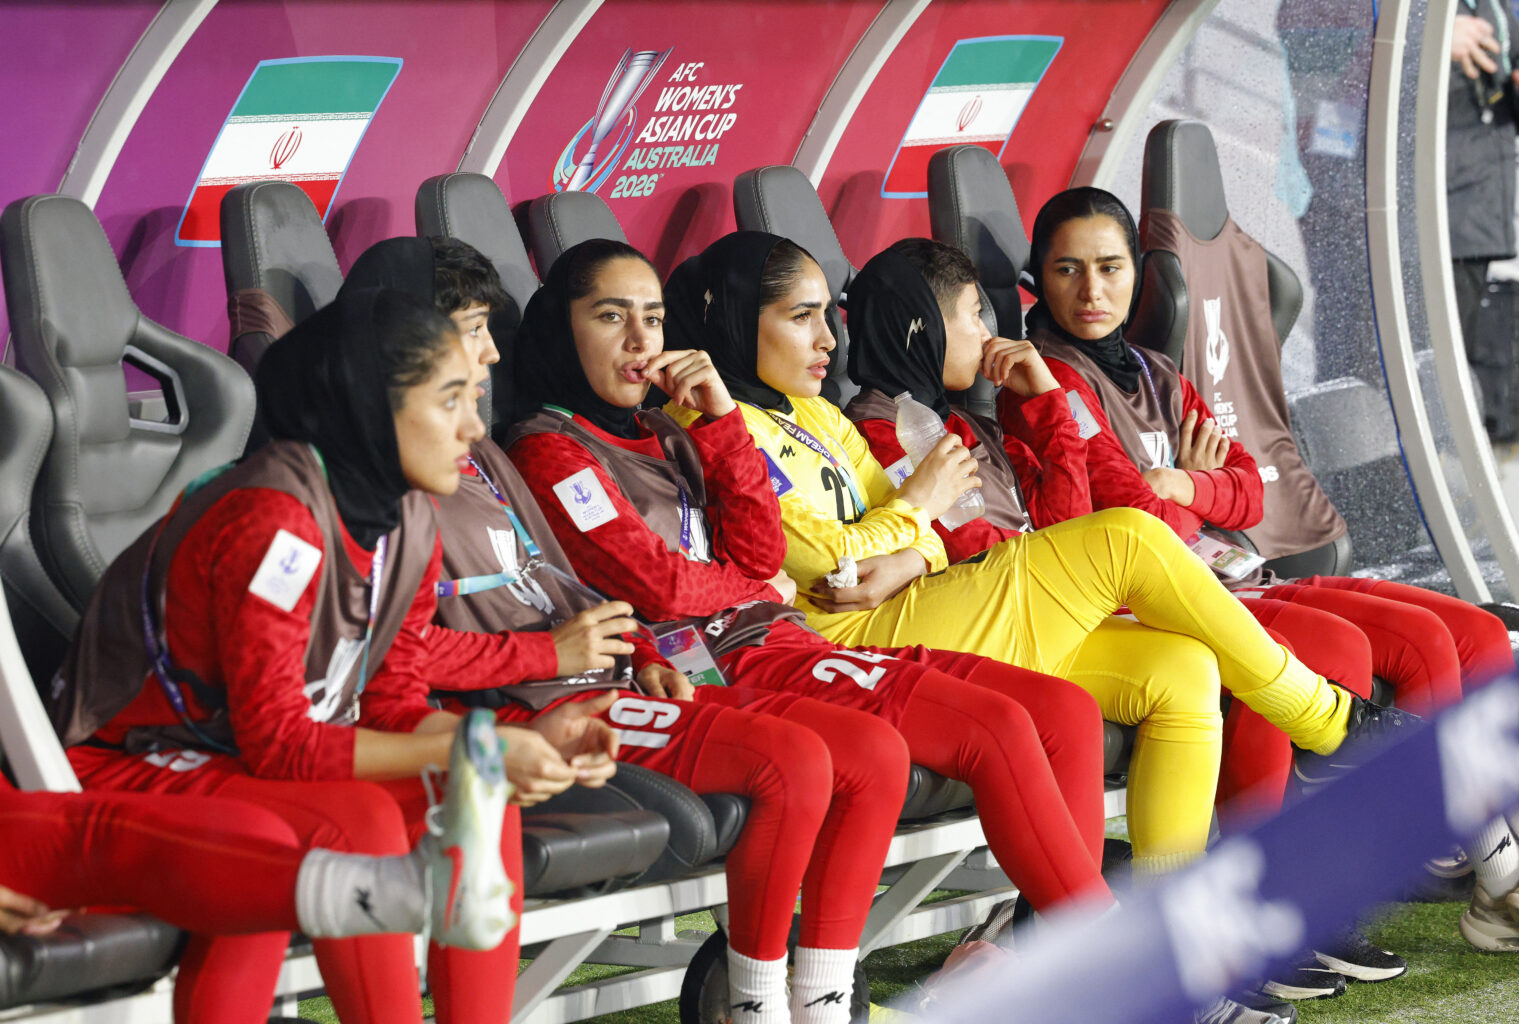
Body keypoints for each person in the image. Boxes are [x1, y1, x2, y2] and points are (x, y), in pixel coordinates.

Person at [341, 236, 918, 1024]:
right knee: (795, 761)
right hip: (534, 702)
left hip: (623, 671)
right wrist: (556, 657)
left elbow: (568, 587)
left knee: (864, 752)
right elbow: (399, 660)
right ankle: (763, 1007)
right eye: (470, 331)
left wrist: (640, 648)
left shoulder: (500, 453)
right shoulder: (512, 452)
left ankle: (810, 999)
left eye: (653, 317)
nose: (489, 353)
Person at [499, 240, 1123, 947]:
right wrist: (764, 565)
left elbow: (792, 550)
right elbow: (679, 583)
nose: (642, 340)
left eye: (653, 318)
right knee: (1119, 549)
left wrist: (906, 547)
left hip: (782, 628)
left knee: (1068, 707)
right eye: (613, 317)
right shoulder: (568, 445)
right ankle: (1103, 958)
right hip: (743, 646)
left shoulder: (713, 424)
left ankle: (1061, 952)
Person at [53, 288, 619, 1024]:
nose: (476, 427)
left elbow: (392, 706)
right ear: (369, 405)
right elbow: (280, 745)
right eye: (450, 400)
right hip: (123, 762)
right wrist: (475, 744)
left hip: (234, 762)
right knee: (360, 824)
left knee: (480, 799)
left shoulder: (407, 515)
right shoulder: (276, 519)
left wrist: (511, 745)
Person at [841, 236, 1378, 831]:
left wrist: (1049, 402)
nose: (988, 333)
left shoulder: (966, 422)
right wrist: (1095, 543)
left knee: (1186, 668)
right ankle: (1328, 721)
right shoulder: (879, 431)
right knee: (1128, 533)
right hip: (962, 628)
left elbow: (1069, 525)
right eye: (972, 316)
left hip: (1030, 613)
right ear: (921, 329)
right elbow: (974, 551)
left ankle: (1173, 889)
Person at [1016, 186, 1513, 721]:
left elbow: (1251, 494)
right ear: (1040, 278)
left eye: (1110, 267)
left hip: (1240, 576)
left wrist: (1181, 484)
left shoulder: (1155, 370)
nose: (1092, 290)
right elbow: (1139, 522)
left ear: (1137, 273)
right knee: (1400, 645)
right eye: (1068, 269)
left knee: (1478, 634)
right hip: (1176, 607)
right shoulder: (1047, 381)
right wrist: (1201, 496)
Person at [1, 711, 512, 1020]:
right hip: (128, 757)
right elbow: (279, 729)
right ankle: (404, 893)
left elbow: (391, 683)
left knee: (253, 838)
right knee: (315, 829)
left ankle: (407, 892)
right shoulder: (264, 558)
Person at [1447, 1, 1519, 363]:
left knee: (1448, 362)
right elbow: (1324, 43)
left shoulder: (1493, 6)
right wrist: (1428, 44)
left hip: (1475, 215)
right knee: (1373, 361)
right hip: (1401, 214)